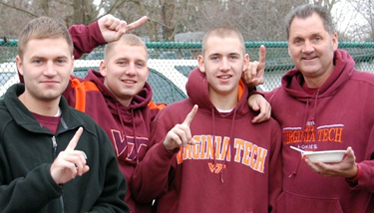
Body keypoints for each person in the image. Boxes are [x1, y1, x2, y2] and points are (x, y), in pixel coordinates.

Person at [28, 15, 270, 213]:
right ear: (103, 67)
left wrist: (250, 91)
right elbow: (41, 73)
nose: (131, 71)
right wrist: (92, 35)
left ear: (147, 70)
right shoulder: (80, 94)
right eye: (122, 62)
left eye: (139, 64)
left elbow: (216, 102)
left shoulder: (158, 114)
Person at [131, 26, 283, 213]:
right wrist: (165, 150)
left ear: (245, 63)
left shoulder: (266, 126)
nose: (224, 66)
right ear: (202, 63)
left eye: (233, 57)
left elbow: (275, 200)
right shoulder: (173, 118)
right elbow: (143, 192)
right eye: (216, 58)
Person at [0, 17, 128, 212]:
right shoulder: (3, 126)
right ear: (20, 65)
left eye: (59, 61)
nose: (50, 71)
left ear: (72, 64)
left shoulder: (90, 131)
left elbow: (115, 203)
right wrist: (48, 179)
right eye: (38, 61)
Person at [260, 4, 374, 213]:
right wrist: (249, 93)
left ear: (334, 40)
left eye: (316, 38)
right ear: (288, 47)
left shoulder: (370, 92)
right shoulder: (275, 100)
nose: (307, 49)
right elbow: (221, 102)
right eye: (298, 41)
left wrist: (357, 172)